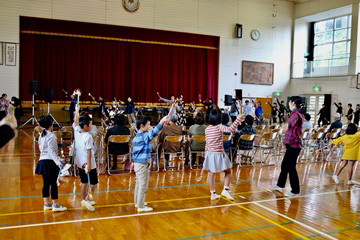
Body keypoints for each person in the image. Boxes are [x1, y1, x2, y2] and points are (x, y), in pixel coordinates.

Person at [203, 109, 242, 201]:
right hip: (219, 154)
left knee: (211, 174)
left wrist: (206, 155)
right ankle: (225, 190)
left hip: (209, 154)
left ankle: (213, 193)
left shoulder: (207, 128)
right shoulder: (219, 127)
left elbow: (207, 143)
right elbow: (230, 129)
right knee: (228, 172)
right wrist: (237, 119)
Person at [132, 115, 169, 212]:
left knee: (139, 184)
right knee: (143, 185)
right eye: (148, 125)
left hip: (138, 164)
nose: (149, 127)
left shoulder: (136, 137)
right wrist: (161, 122)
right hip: (142, 164)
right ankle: (140, 206)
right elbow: (153, 133)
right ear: (141, 126)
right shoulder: (143, 137)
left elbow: (153, 133)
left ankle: (137, 202)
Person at [273, 96, 304, 197]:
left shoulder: (296, 114)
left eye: (290, 102)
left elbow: (290, 123)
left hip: (294, 145)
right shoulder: (294, 114)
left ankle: (295, 190)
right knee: (285, 165)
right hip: (291, 144)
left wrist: (285, 124)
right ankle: (280, 185)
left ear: (293, 103)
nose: (289, 104)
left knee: (291, 167)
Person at [35, 115, 67, 212]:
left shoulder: (41, 135)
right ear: (51, 123)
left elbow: (43, 150)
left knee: (46, 183)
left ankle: (47, 204)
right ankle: (56, 205)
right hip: (50, 162)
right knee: (53, 183)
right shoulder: (51, 136)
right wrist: (58, 162)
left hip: (42, 161)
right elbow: (52, 151)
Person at [73, 105, 98, 211]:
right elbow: (89, 153)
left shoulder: (77, 132)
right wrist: (89, 165)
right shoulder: (88, 136)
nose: (92, 125)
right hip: (89, 164)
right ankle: (86, 199)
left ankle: (84, 199)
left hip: (79, 163)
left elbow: (75, 122)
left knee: (84, 182)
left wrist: (77, 111)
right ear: (86, 126)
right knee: (94, 183)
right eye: (91, 124)